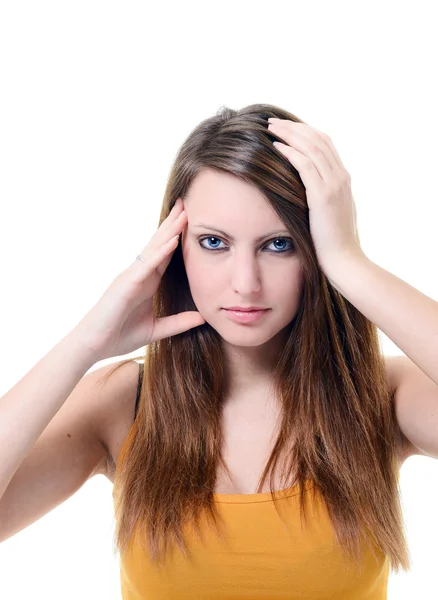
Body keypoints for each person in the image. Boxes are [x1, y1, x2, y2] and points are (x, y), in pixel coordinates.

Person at [0, 103, 425, 598]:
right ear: (176, 246)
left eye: (280, 245)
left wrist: (350, 265)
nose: (245, 284)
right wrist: (85, 343)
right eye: (214, 242)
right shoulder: (124, 403)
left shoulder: (379, 395)